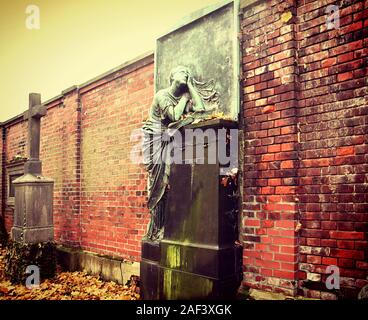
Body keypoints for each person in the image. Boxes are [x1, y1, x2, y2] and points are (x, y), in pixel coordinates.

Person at [141, 66, 207, 241]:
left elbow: (200, 109)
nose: (186, 73)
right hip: (155, 141)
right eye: (182, 71)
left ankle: (161, 229)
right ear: (172, 78)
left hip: (167, 140)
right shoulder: (162, 95)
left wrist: (190, 88)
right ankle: (154, 231)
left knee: (167, 181)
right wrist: (185, 99)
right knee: (158, 183)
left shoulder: (181, 97)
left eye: (188, 72)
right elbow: (175, 116)